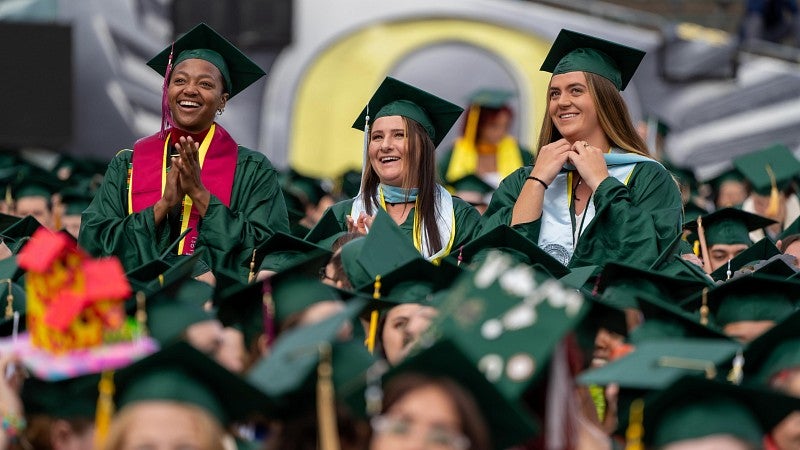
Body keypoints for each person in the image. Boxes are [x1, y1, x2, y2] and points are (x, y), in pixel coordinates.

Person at [79, 23, 289, 280]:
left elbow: (268, 250)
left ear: (223, 100)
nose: (189, 89)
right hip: (138, 304)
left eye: (205, 84)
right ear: (167, 92)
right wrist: (163, 205)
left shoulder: (252, 169)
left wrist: (200, 195)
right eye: (179, 80)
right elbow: (95, 243)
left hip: (214, 306)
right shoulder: (127, 165)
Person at [481, 29, 682, 270]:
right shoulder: (521, 181)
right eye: (554, 93)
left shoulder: (647, 178)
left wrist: (602, 183)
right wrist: (536, 182)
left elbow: (648, 258)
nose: (562, 102)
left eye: (576, 90)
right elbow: (493, 262)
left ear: (605, 100)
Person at [305, 77, 481, 263]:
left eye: (399, 135)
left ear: (423, 148)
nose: (385, 145)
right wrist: (348, 256)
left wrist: (385, 249)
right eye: (377, 137)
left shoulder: (459, 217)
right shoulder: (342, 215)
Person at [438, 88, 533, 189]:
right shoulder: (453, 156)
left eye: (505, 126)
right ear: (478, 126)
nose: (501, 132)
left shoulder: (521, 154)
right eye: (493, 126)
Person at [733, 143, 800, 242]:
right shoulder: (740, 226)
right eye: (759, 203)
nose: (766, 210)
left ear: (785, 198)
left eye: (772, 203)